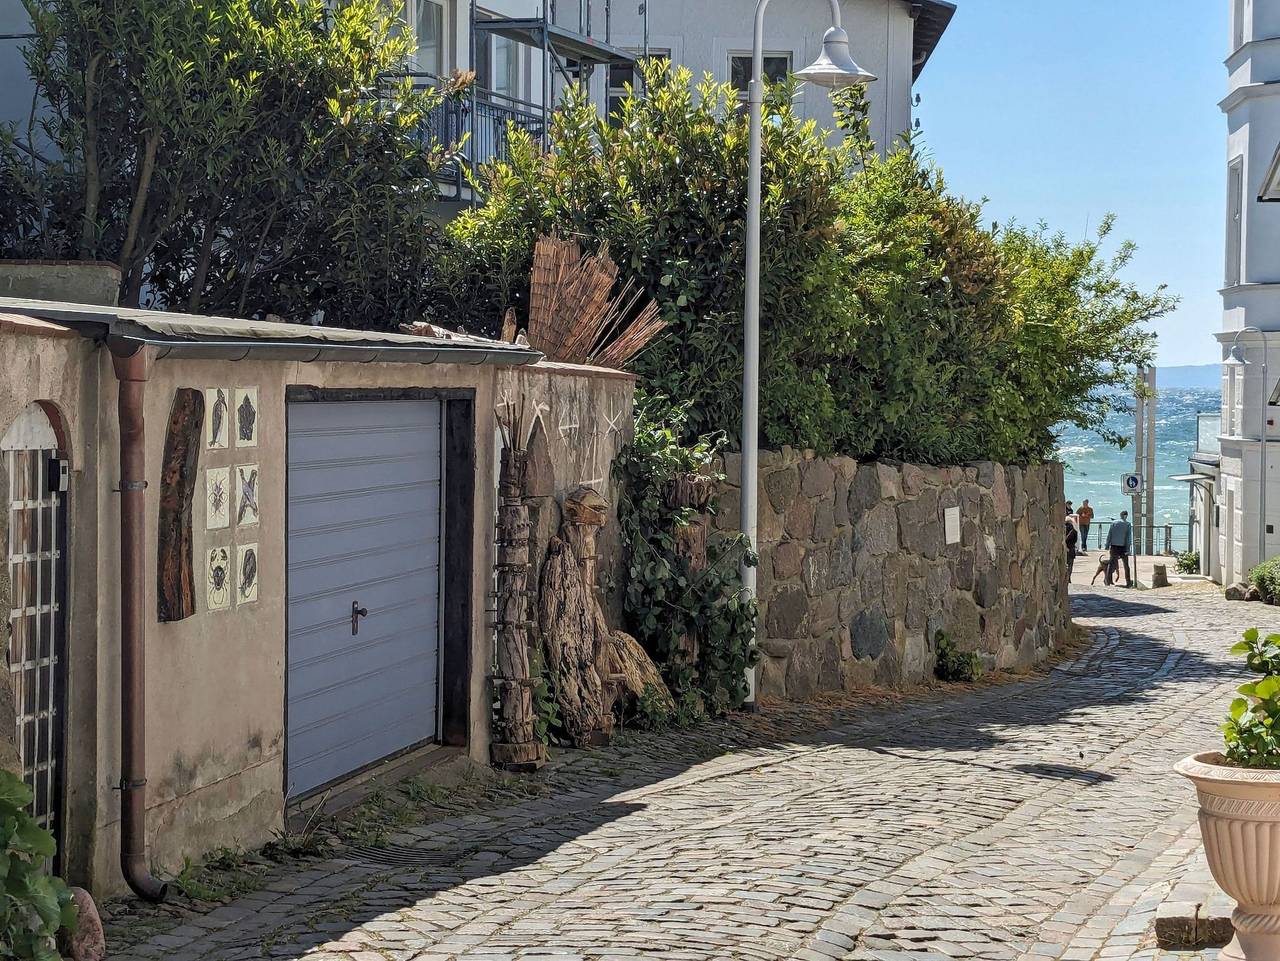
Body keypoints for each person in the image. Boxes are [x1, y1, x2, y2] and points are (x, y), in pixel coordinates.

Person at [1104, 510, 1134, 588]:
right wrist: (1128, 549)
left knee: (1111, 563)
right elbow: (1128, 538)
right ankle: (1128, 581)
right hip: (1123, 547)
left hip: (1114, 546)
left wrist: (1107, 545)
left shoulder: (1113, 523)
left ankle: (1108, 580)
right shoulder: (1127, 524)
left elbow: (1109, 534)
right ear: (1126, 516)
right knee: (1126, 565)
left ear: (1120, 515)